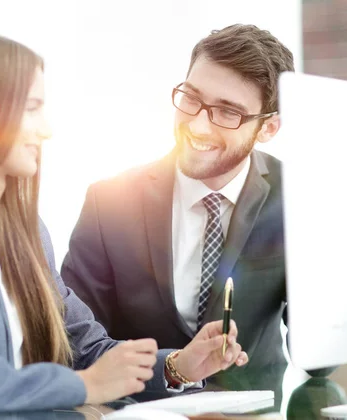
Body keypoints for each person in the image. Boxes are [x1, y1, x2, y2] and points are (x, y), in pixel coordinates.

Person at [0, 28, 249, 420]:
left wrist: (178, 366)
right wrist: (86, 387)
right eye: (32, 107)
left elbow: (86, 348)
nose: (46, 130)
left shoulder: (25, 231)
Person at [61, 24, 301, 380]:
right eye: (191, 98)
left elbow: (320, 355)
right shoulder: (108, 202)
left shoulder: (298, 198)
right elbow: (71, 342)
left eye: (228, 112)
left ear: (268, 128)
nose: (198, 126)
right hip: (139, 410)